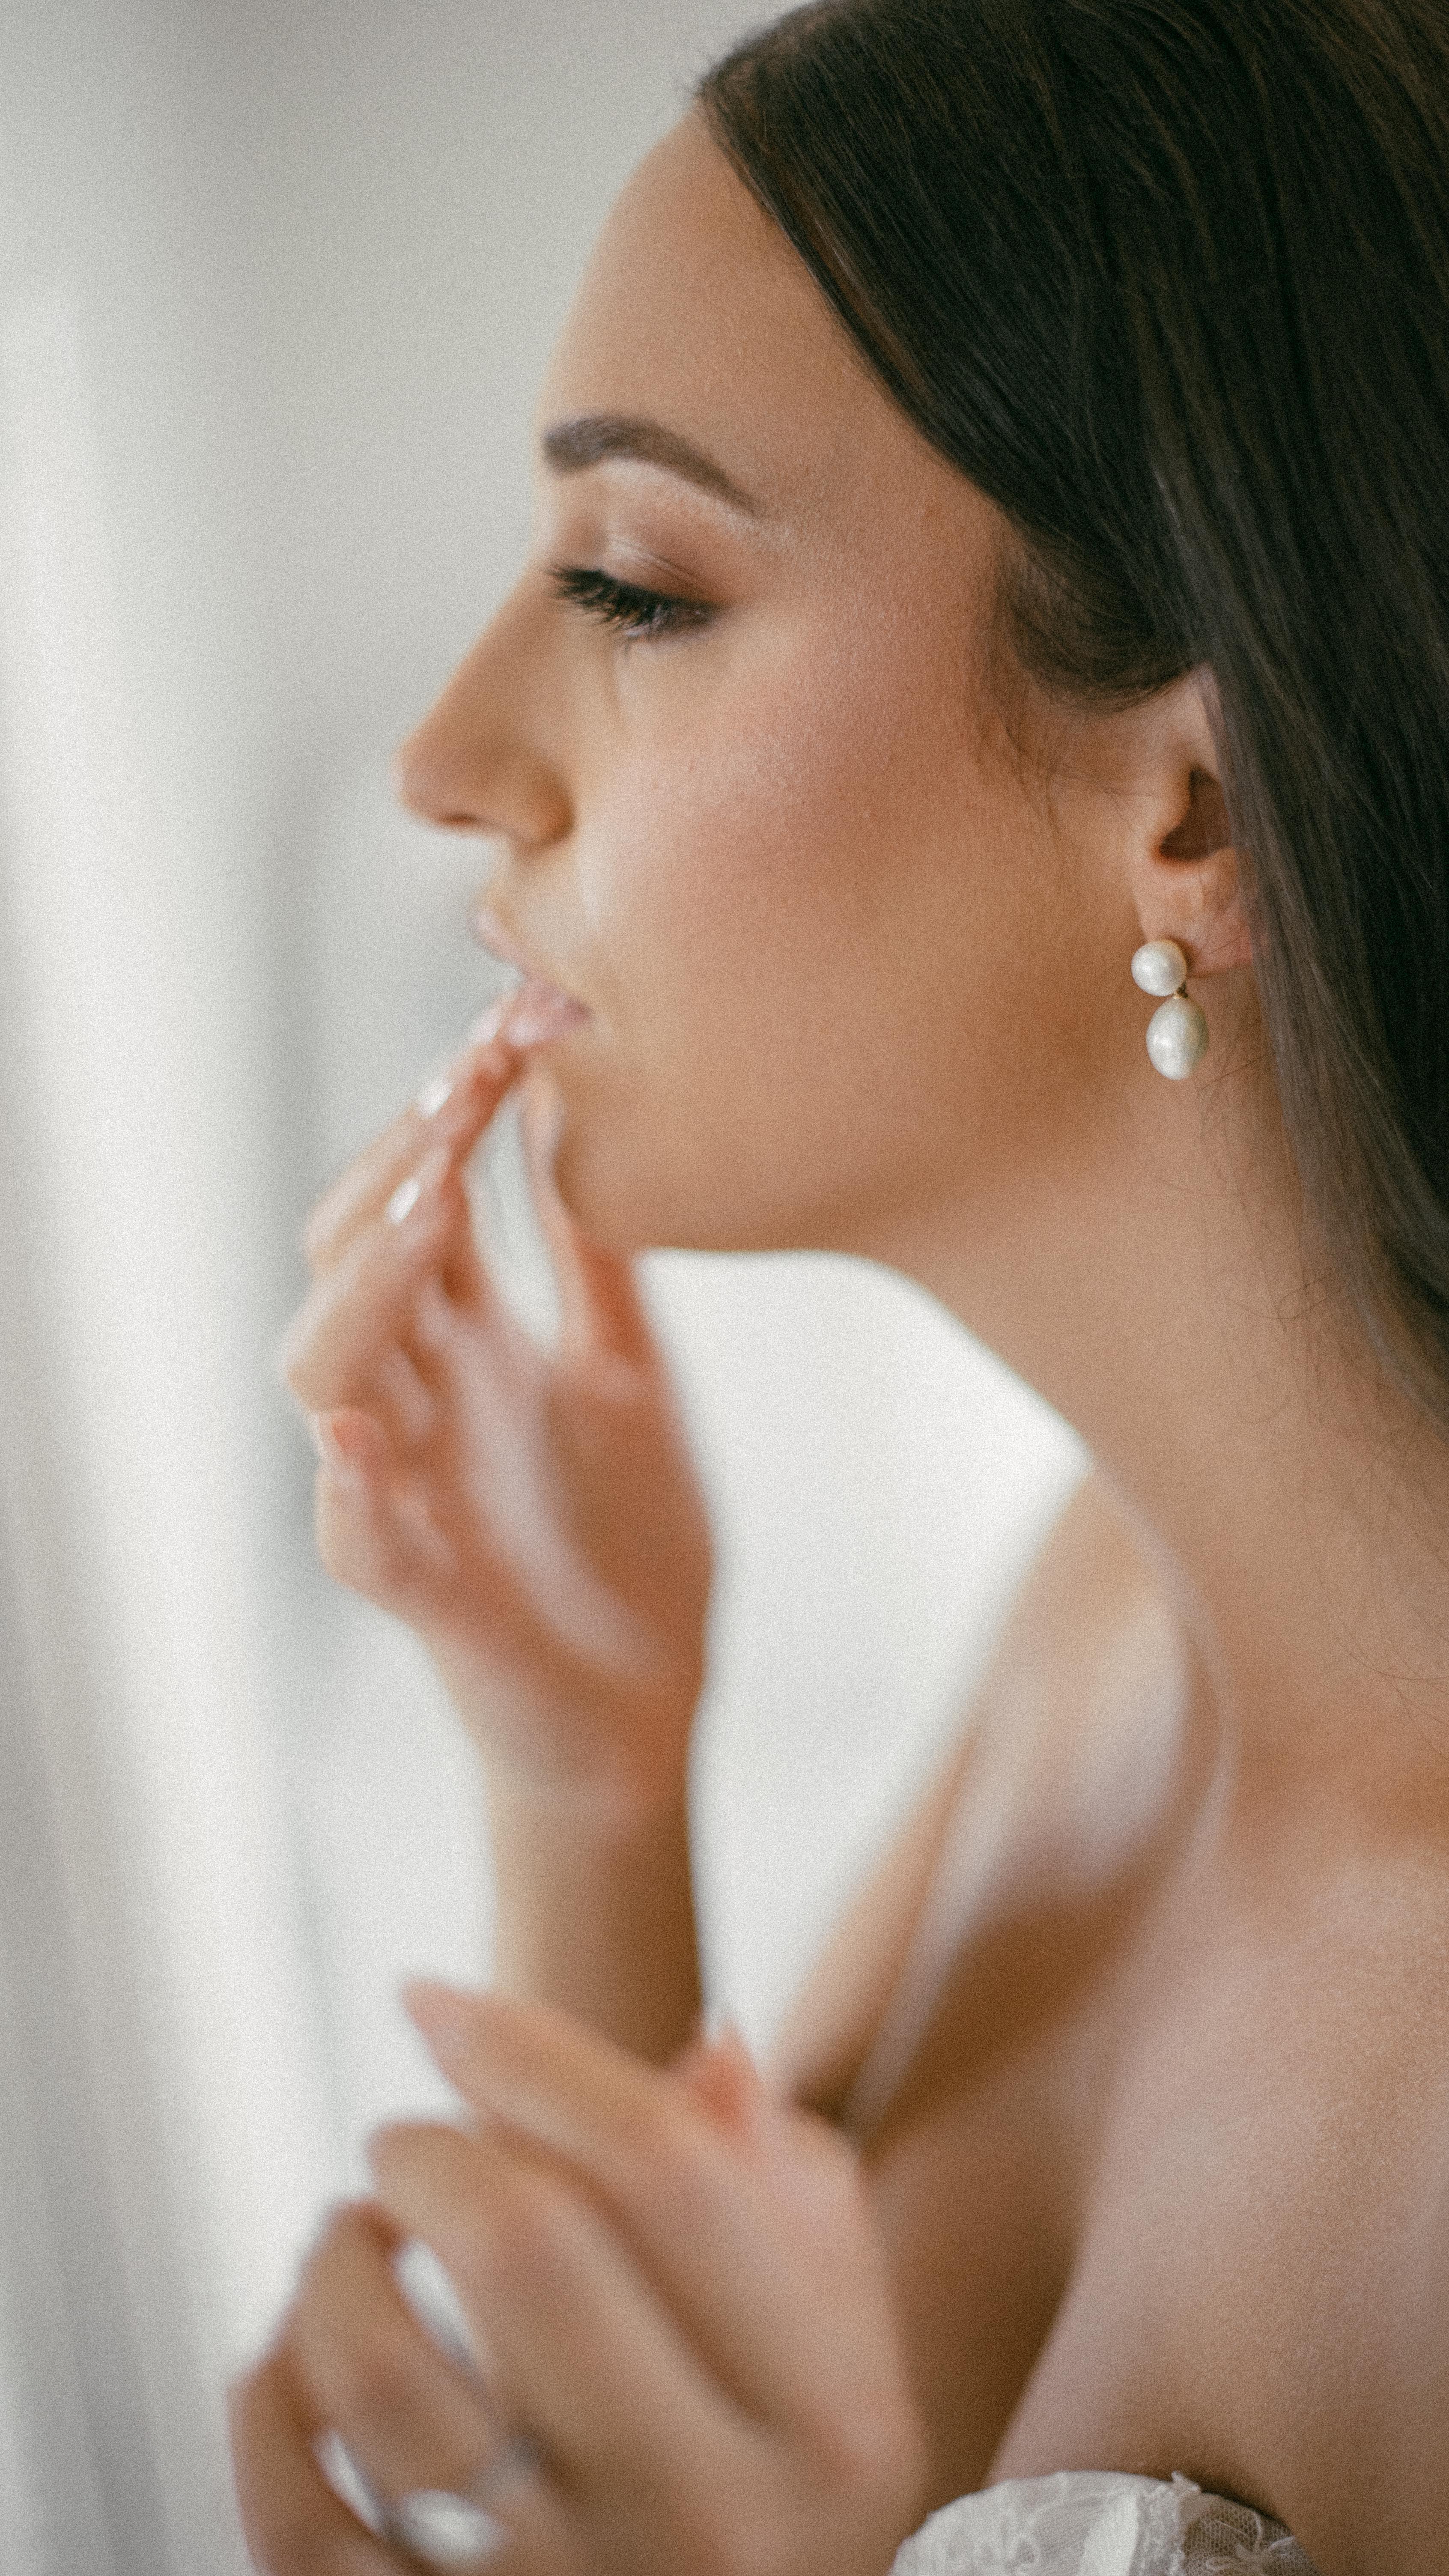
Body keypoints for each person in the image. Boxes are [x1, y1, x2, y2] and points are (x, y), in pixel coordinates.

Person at [227, 2, 1449, 2568]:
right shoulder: (1103, 1625)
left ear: (1195, 802)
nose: (447, 755)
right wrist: (583, 1777)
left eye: (634, 587)